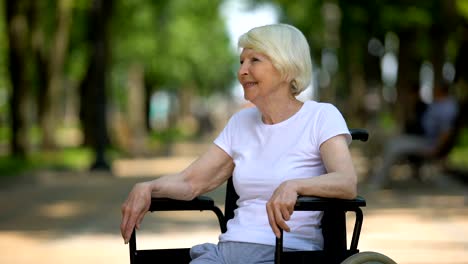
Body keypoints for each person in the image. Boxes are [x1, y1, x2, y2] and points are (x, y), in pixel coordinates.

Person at [120, 24, 357, 264]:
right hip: (226, 252)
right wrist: (148, 187)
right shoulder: (240, 122)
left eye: (254, 60)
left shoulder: (321, 116)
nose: (242, 71)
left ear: (286, 66)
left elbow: (346, 181)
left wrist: (295, 186)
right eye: (241, 61)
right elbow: (190, 182)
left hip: (286, 253)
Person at [369, 81, 459, 189]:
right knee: (382, 138)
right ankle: (376, 176)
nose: (432, 90)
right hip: (424, 139)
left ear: (441, 90)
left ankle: (378, 182)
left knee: (393, 146)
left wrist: (436, 149)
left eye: (435, 87)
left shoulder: (447, 107)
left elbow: (447, 131)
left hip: (430, 143)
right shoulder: (437, 103)